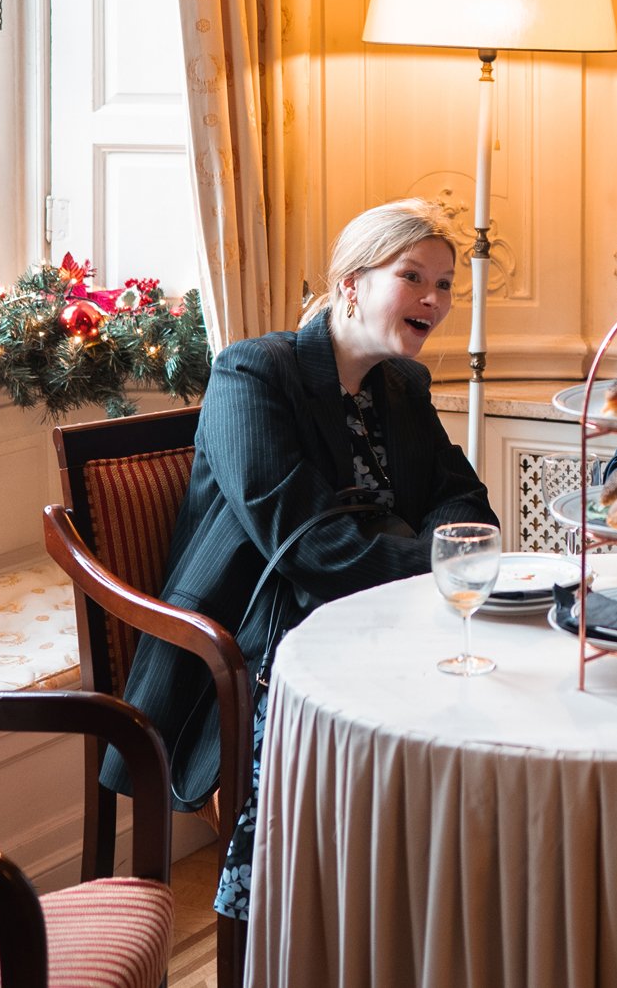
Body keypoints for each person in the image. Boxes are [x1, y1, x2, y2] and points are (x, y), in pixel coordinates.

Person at [112, 200, 497, 925]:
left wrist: (445, 555)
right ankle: (308, 932)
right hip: (253, 643)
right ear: (351, 282)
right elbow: (307, 546)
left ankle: (418, 926)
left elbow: (464, 502)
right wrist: (439, 566)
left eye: (445, 283)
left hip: (381, 618)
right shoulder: (253, 371)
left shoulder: (402, 385)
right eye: (413, 275)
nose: (435, 299)